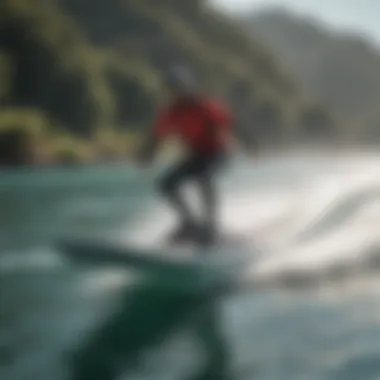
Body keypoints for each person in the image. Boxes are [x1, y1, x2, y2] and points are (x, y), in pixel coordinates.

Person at [137, 65, 234, 247]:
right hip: (196, 155)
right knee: (166, 184)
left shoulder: (205, 106)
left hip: (217, 153)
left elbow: (231, 123)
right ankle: (189, 224)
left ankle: (211, 226)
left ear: (188, 87)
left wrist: (251, 143)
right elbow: (156, 137)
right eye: (171, 89)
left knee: (204, 178)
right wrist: (146, 156)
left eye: (178, 87)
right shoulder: (170, 112)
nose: (175, 92)